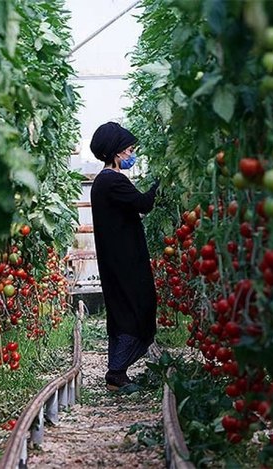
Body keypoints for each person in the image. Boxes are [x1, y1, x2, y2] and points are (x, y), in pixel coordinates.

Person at [89, 122, 159, 391]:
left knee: (123, 310)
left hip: (117, 258)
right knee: (137, 308)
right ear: (117, 153)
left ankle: (117, 374)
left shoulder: (104, 182)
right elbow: (143, 204)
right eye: (129, 150)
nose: (132, 154)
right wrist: (159, 185)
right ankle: (116, 372)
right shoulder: (112, 180)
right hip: (126, 258)